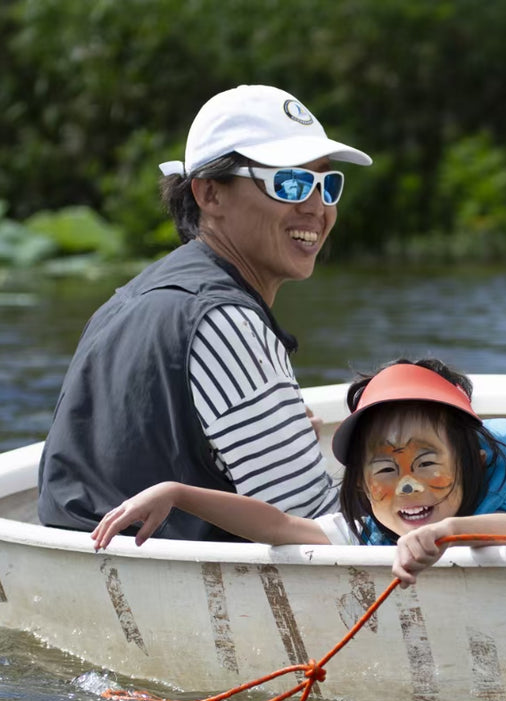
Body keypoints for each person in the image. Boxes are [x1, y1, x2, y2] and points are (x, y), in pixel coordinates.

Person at [37, 84, 372, 540]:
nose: (316, 207)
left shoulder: (132, 297)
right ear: (209, 194)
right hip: (165, 583)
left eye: (327, 184)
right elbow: (317, 524)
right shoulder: (226, 321)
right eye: (288, 182)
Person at [91, 359, 506, 584]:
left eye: (426, 463)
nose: (408, 485)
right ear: (360, 482)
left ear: (475, 460)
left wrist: (447, 532)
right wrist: (178, 493)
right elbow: (278, 526)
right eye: (384, 468)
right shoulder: (370, 531)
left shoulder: (498, 509)